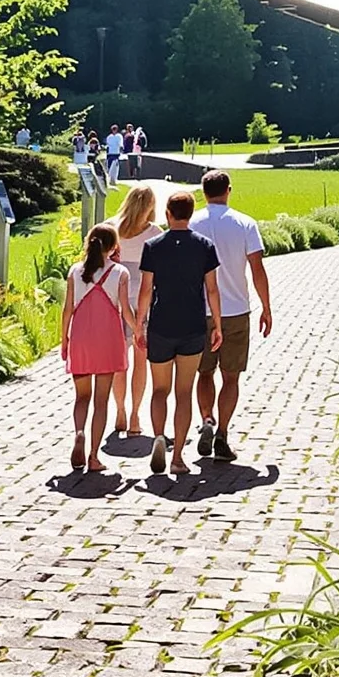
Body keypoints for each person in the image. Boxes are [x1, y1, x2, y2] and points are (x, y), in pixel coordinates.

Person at [135, 191, 222, 478]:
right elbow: (211, 290)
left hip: (161, 325)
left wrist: (139, 324)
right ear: (190, 213)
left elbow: (146, 290)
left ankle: (159, 436)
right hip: (192, 326)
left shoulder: (153, 246)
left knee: (160, 390)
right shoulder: (205, 246)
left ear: (168, 215)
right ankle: (178, 457)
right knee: (184, 392)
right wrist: (217, 325)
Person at [193, 168, 272, 463]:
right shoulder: (245, 224)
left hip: (199, 310)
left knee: (203, 372)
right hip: (236, 310)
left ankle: (206, 420)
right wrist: (266, 306)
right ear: (228, 190)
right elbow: (257, 269)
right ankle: (223, 435)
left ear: (204, 192)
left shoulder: (192, 223)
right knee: (231, 377)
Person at [61, 223, 137, 473]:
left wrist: (64, 340)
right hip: (108, 340)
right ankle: (94, 455)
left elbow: (67, 310)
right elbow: (125, 310)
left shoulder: (75, 271)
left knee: (82, 396)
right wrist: (138, 331)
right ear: (114, 246)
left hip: (81, 339)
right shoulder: (120, 273)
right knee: (101, 401)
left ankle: (79, 432)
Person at [108, 184, 161, 437]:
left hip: (114, 302)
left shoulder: (110, 228)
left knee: (120, 362)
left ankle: (119, 410)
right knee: (141, 361)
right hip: (144, 303)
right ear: (150, 206)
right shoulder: (154, 233)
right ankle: (135, 414)